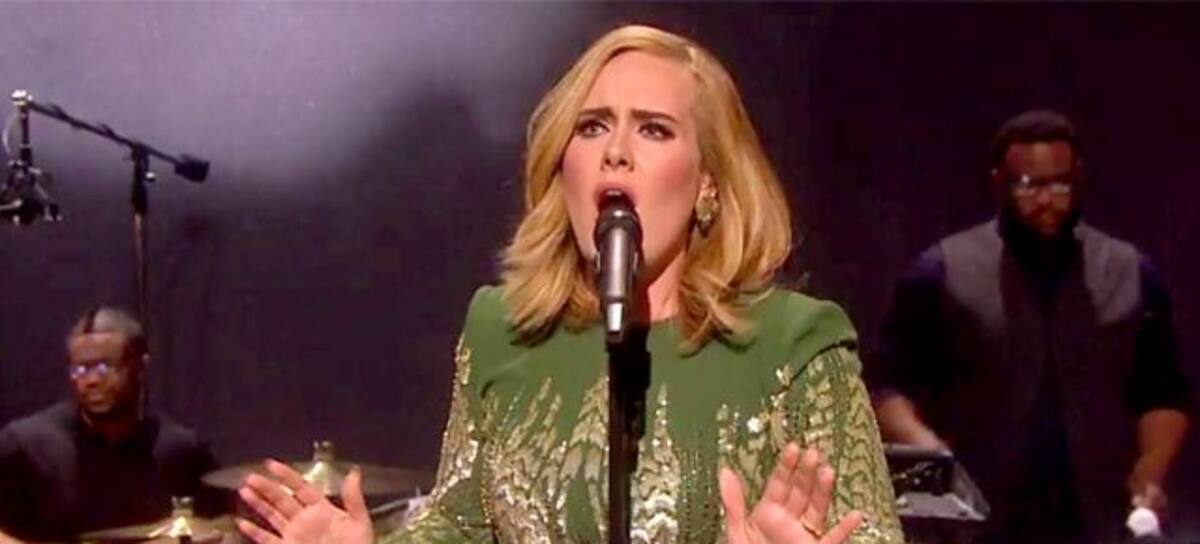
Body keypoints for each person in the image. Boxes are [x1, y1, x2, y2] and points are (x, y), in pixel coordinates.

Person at [237, 24, 903, 544]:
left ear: (708, 183)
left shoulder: (794, 344)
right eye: (592, 126)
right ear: (565, 165)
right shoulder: (504, 330)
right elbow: (462, 523)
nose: (616, 151)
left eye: (653, 129)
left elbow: (866, 530)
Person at [869, 109, 1191, 543]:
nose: (1045, 201)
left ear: (1078, 179)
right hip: (975, 520)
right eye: (1028, 185)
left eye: (1059, 184)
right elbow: (887, 385)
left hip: (1097, 517)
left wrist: (1150, 469)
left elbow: (1163, 391)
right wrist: (928, 448)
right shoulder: (942, 271)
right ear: (998, 183)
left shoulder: (1130, 273)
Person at [0, 306, 224, 541]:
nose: (91, 381)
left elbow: (222, 525)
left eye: (103, 367)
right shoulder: (26, 444)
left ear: (141, 367)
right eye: (80, 369)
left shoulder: (181, 450)